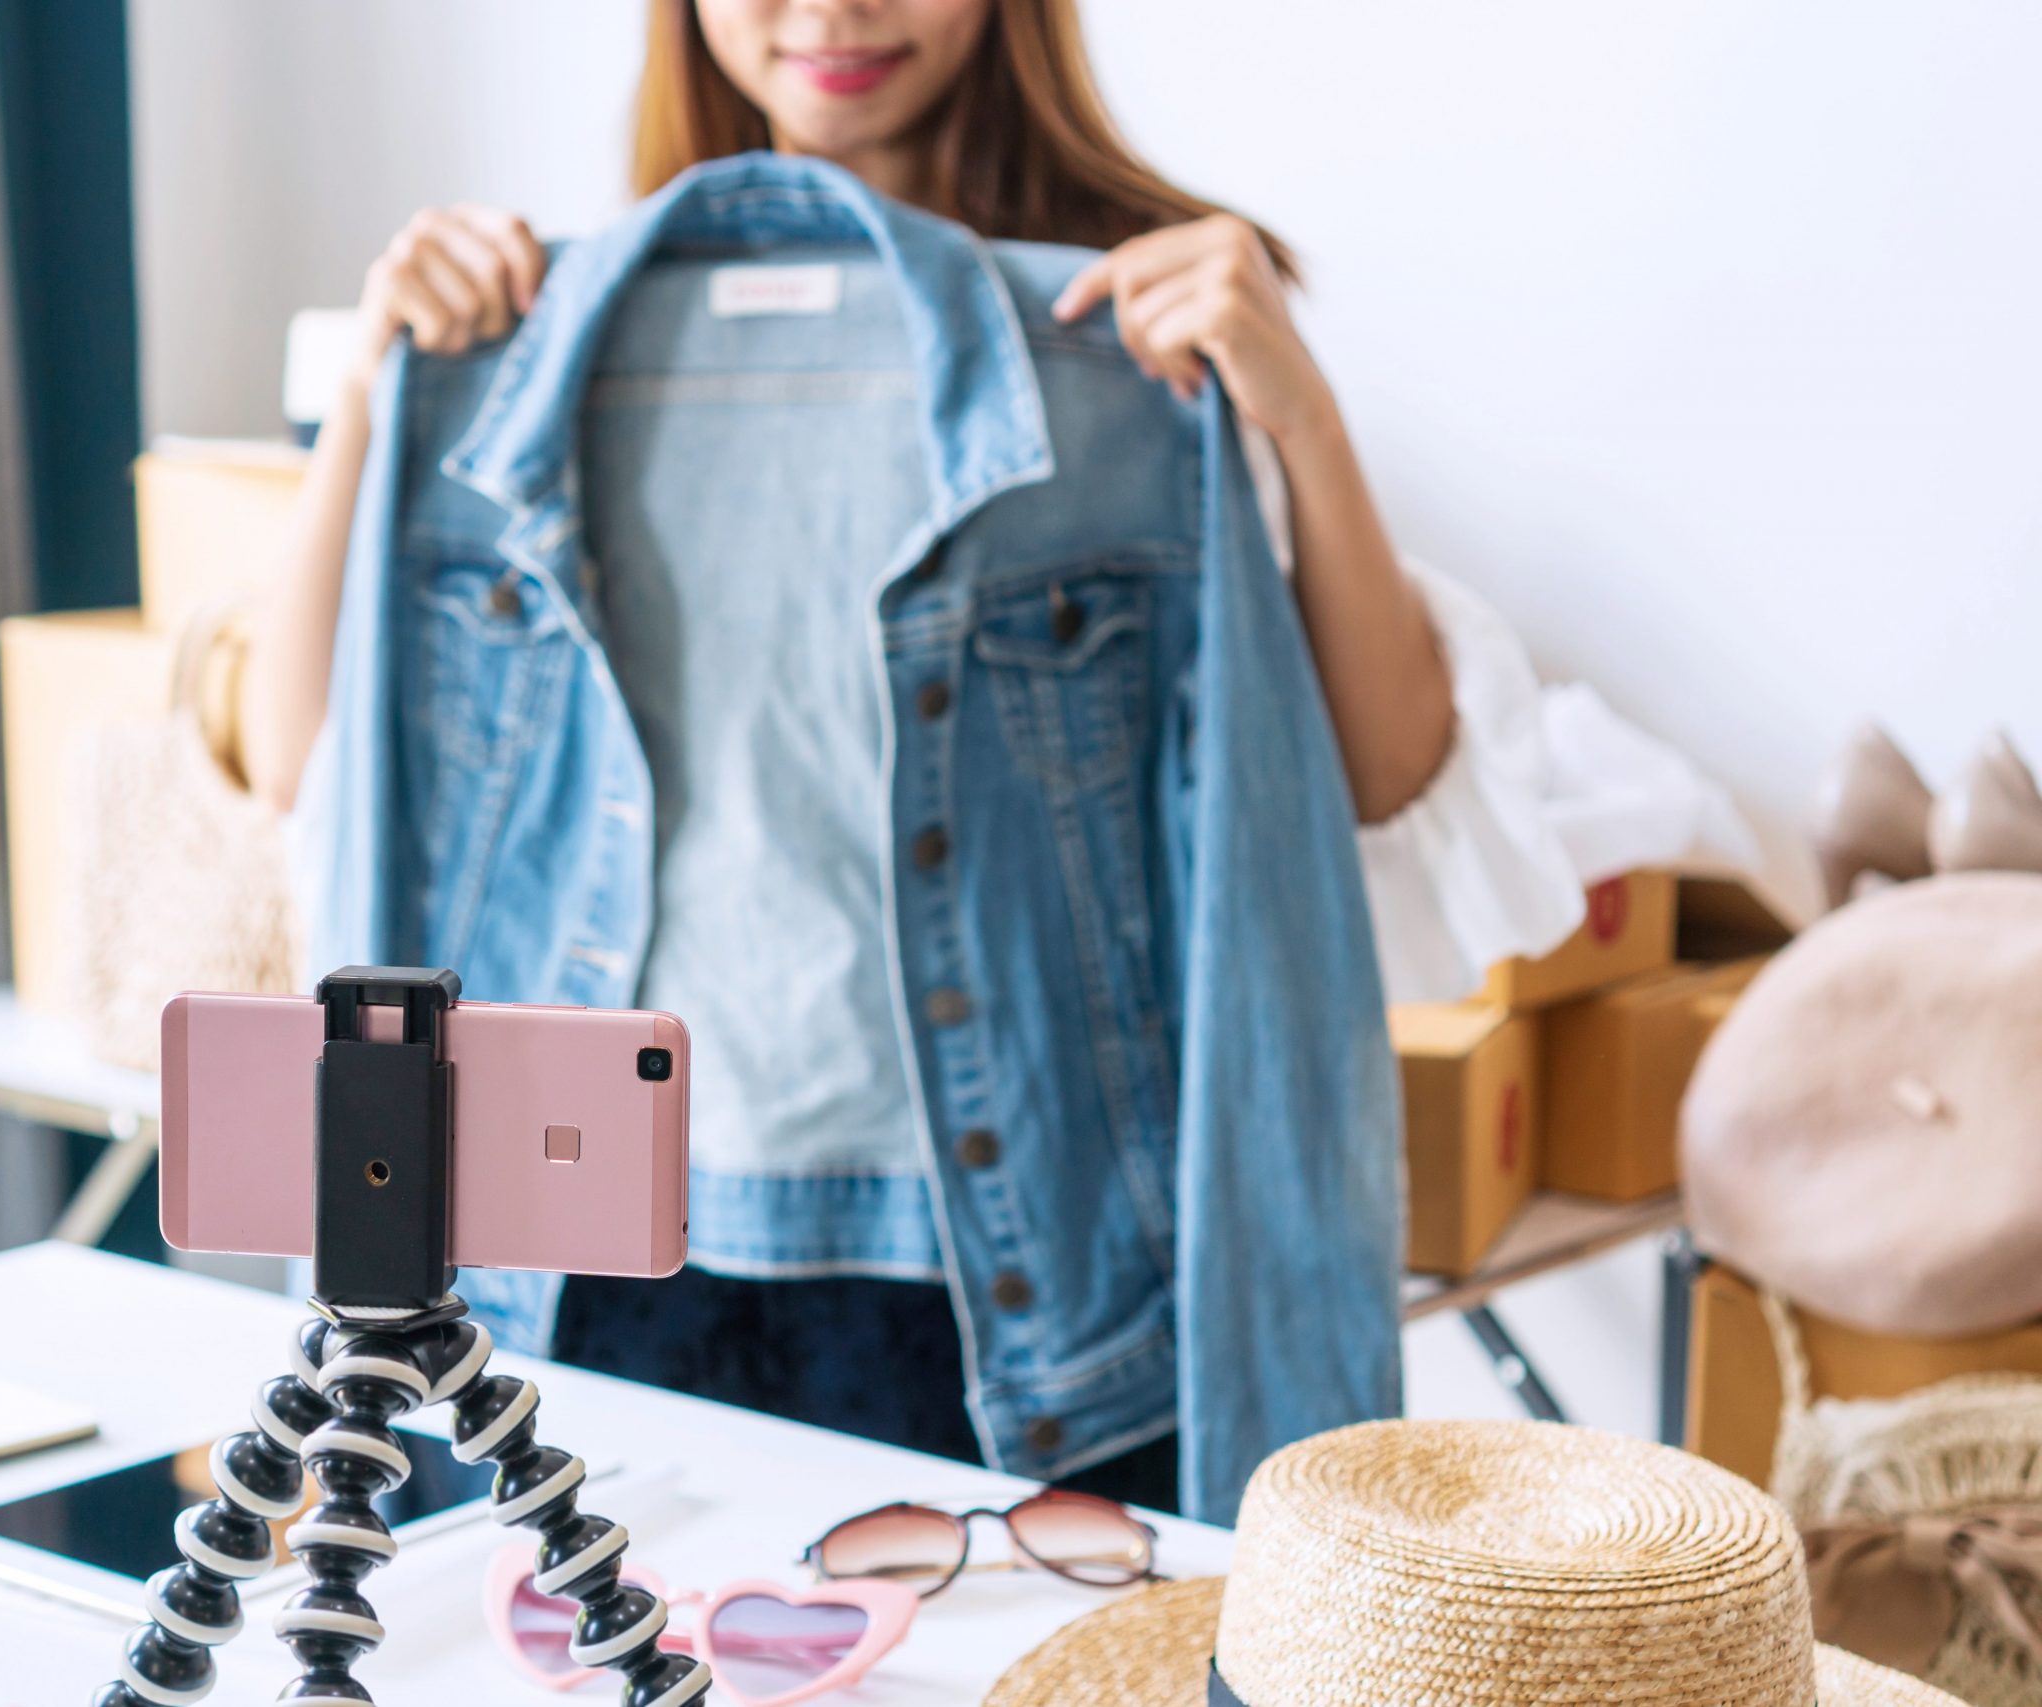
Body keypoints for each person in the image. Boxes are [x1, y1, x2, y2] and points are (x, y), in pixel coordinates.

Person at [241, 0, 1579, 1512]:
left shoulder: (1148, 332)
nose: (831, 11)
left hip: (1020, 1291)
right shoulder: (533, 345)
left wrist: (1301, 423)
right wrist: (374, 393)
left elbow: (1369, 787)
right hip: (595, 1261)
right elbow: (316, 777)